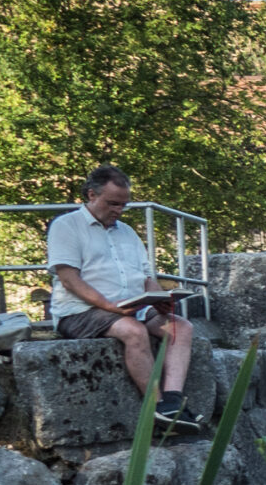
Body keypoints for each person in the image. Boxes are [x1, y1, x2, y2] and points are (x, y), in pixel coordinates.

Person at [46, 165, 198, 426]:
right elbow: (69, 279)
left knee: (181, 327)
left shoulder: (127, 232)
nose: (119, 210)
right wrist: (109, 306)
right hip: (81, 311)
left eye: (123, 205)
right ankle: (156, 406)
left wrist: (159, 299)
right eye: (113, 203)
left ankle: (173, 402)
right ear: (92, 195)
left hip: (131, 307)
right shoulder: (66, 226)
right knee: (134, 331)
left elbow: (146, 277)